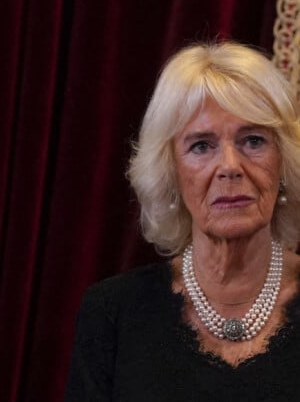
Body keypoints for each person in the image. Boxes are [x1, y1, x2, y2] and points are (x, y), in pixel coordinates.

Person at [65, 41, 300, 401]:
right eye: (201, 146)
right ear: (171, 173)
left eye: (253, 140)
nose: (230, 167)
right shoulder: (114, 314)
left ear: (283, 164)